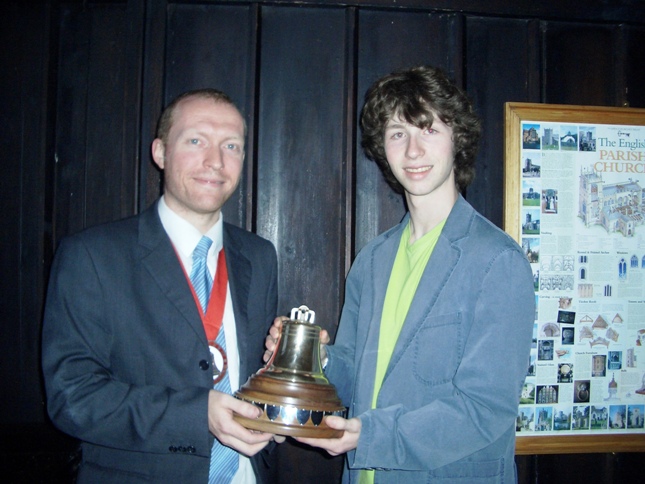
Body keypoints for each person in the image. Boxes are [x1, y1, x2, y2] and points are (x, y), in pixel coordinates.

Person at [266, 66, 535, 483]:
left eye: (427, 129)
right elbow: (354, 372)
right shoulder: (373, 259)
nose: (412, 151)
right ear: (383, 150)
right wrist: (308, 359)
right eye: (397, 133)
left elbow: (486, 408)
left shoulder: (498, 261)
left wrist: (369, 436)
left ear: (456, 138)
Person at [42, 88, 282, 483]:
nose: (215, 161)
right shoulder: (92, 256)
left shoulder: (259, 256)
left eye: (231, 146)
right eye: (195, 141)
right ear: (160, 153)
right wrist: (196, 414)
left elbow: (259, 373)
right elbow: (72, 398)